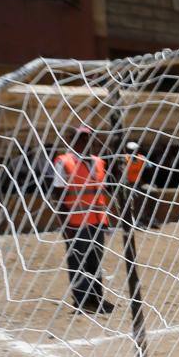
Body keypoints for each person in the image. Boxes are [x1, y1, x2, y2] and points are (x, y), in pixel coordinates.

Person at [52, 126, 116, 314]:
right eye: (81, 138)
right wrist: (65, 224)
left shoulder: (98, 162)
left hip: (97, 220)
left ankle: (96, 298)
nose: (86, 141)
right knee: (78, 262)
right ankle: (81, 300)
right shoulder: (64, 162)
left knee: (94, 262)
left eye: (89, 138)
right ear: (71, 139)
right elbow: (58, 195)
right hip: (75, 223)